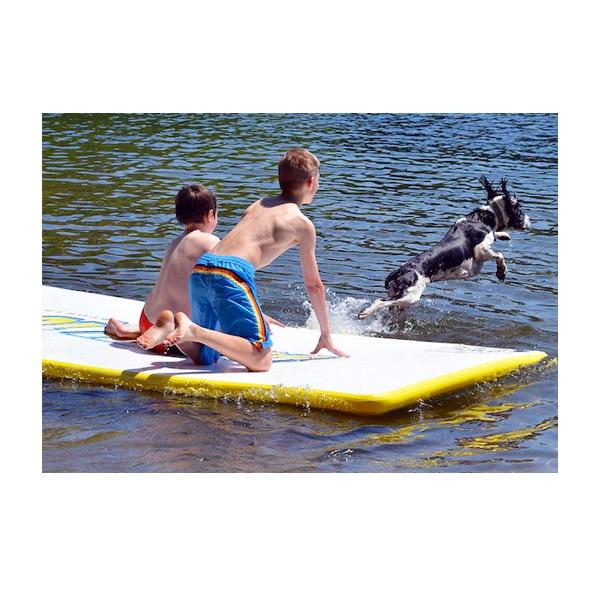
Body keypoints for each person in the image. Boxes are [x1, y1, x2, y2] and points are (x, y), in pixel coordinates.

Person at [137, 148, 349, 371]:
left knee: (206, 357)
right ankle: (192, 330)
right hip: (231, 273)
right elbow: (314, 285)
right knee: (261, 358)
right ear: (311, 181)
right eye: (319, 181)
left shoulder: (258, 205)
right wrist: (326, 334)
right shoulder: (302, 224)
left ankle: (174, 326)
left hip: (203, 267)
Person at [104, 184, 221, 354]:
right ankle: (154, 329)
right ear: (211, 215)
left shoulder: (175, 243)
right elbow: (230, 284)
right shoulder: (209, 242)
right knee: (225, 338)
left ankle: (130, 331)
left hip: (146, 320)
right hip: (173, 335)